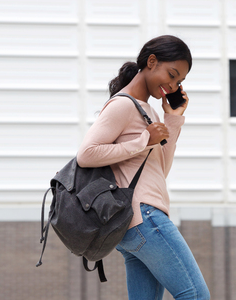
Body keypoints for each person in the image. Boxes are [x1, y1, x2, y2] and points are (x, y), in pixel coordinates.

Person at [76, 35, 210, 300]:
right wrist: (144, 140)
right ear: (151, 61)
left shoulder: (147, 111)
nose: (172, 85)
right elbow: (86, 155)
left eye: (179, 82)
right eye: (171, 75)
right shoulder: (123, 104)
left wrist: (173, 119)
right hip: (144, 216)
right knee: (195, 295)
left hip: (133, 224)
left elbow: (160, 171)